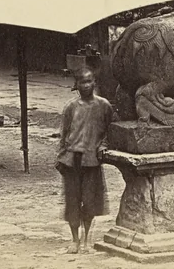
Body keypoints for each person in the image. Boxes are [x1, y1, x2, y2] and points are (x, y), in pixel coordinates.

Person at [56, 68, 114, 253]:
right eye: (82, 82)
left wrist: (103, 146)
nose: (86, 85)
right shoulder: (71, 107)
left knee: (89, 201)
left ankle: (87, 239)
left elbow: (110, 131)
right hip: (72, 159)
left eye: (89, 81)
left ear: (94, 82)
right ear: (76, 85)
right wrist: (61, 156)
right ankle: (74, 240)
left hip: (91, 160)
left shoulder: (104, 106)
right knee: (72, 200)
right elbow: (64, 134)